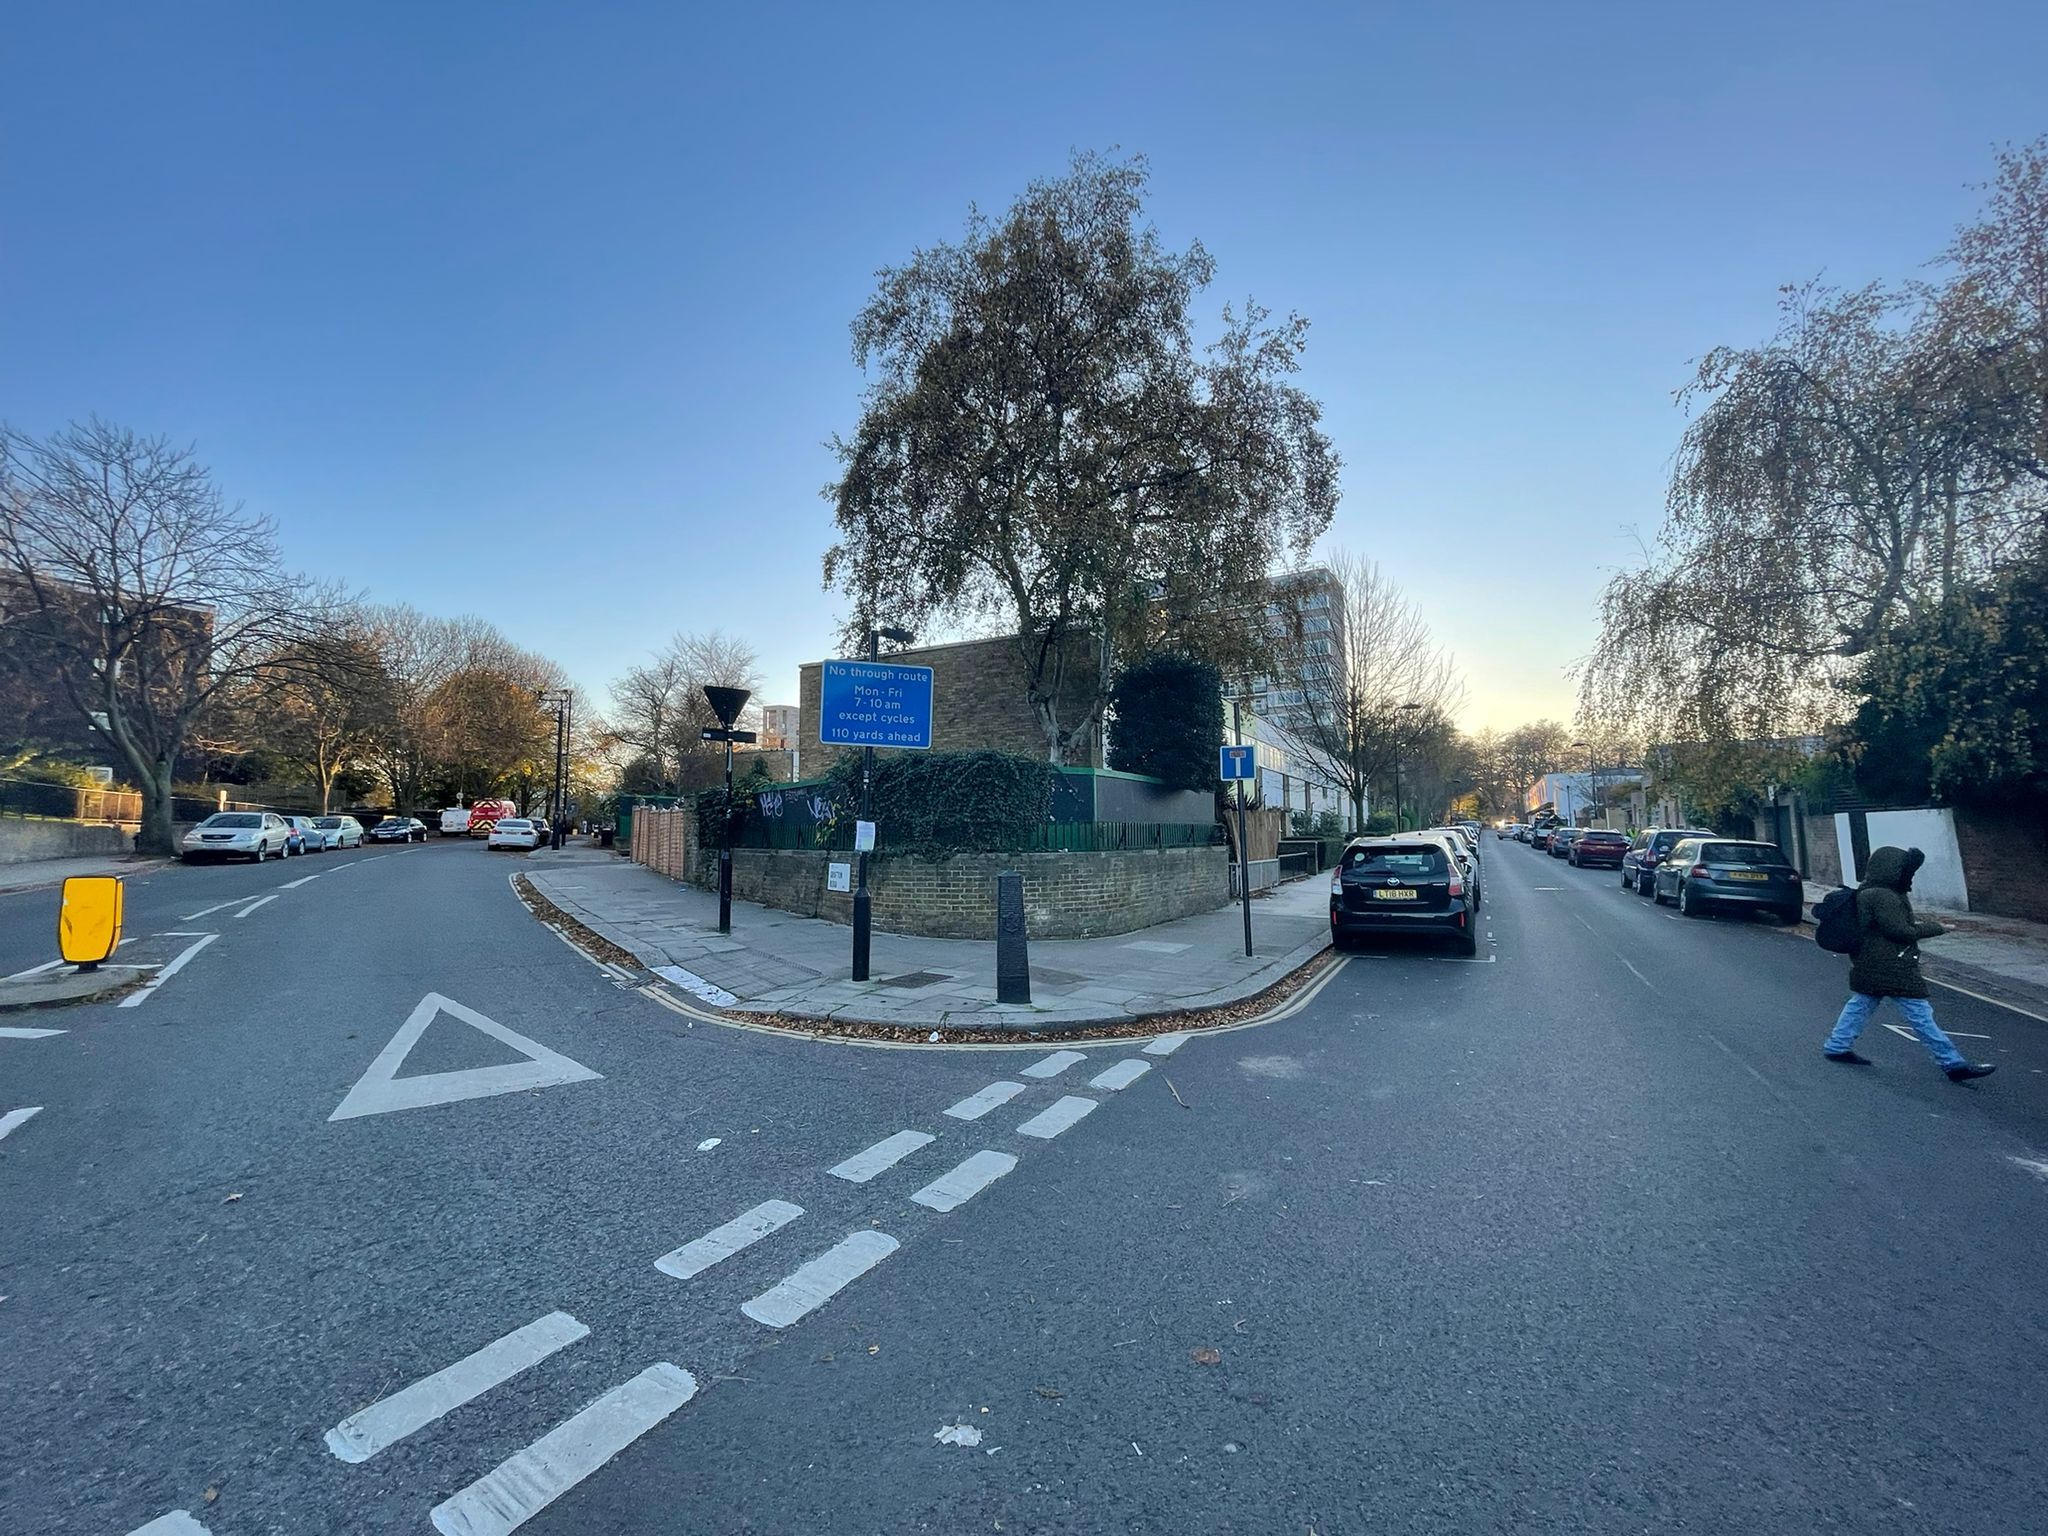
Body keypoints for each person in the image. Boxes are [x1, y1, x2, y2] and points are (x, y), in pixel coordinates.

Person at [1823, 846, 1995, 1081]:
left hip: (1870, 961)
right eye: (1906, 871)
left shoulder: (1871, 891)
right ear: (1893, 870)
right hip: (1892, 964)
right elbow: (1901, 931)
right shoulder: (1882, 895)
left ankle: (1837, 1045)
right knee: (1920, 1013)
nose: (1910, 876)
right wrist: (1937, 928)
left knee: (1860, 1005)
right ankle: (1953, 1063)